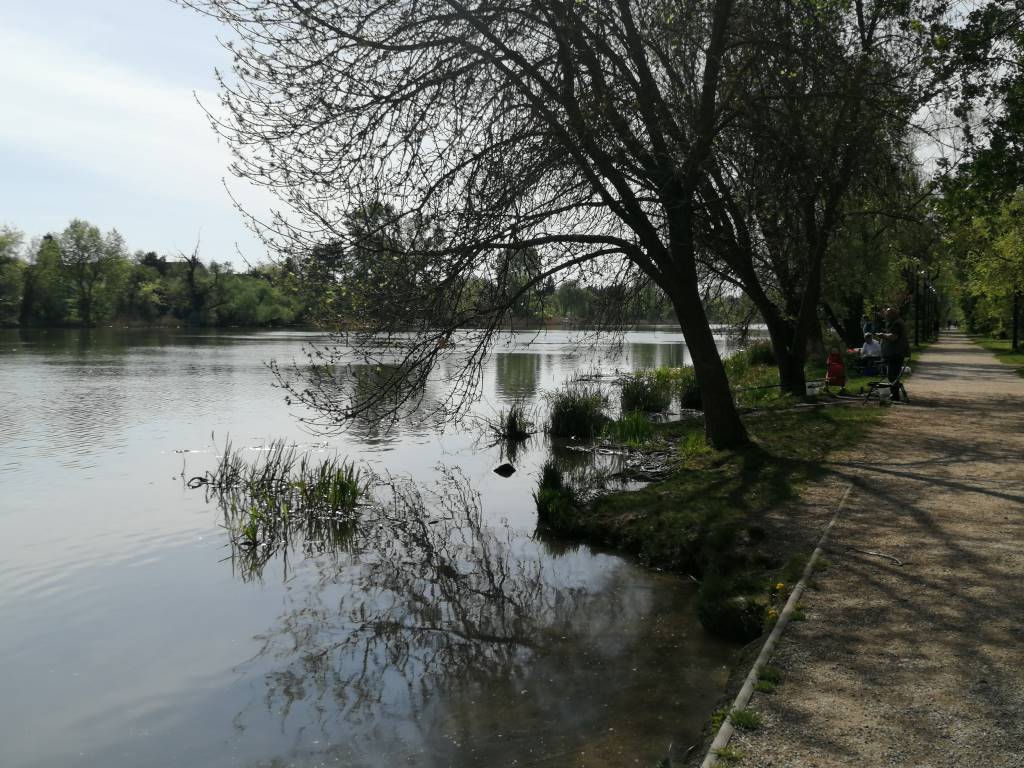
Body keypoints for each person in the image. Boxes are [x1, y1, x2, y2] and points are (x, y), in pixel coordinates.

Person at [879, 306, 910, 400]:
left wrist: (883, 335)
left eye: (887, 315)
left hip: (895, 354)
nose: (886, 317)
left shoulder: (896, 324)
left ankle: (894, 396)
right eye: (886, 315)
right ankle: (894, 394)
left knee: (892, 375)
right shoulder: (896, 322)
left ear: (893, 315)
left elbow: (894, 337)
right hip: (895, 353)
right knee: (893, 375)